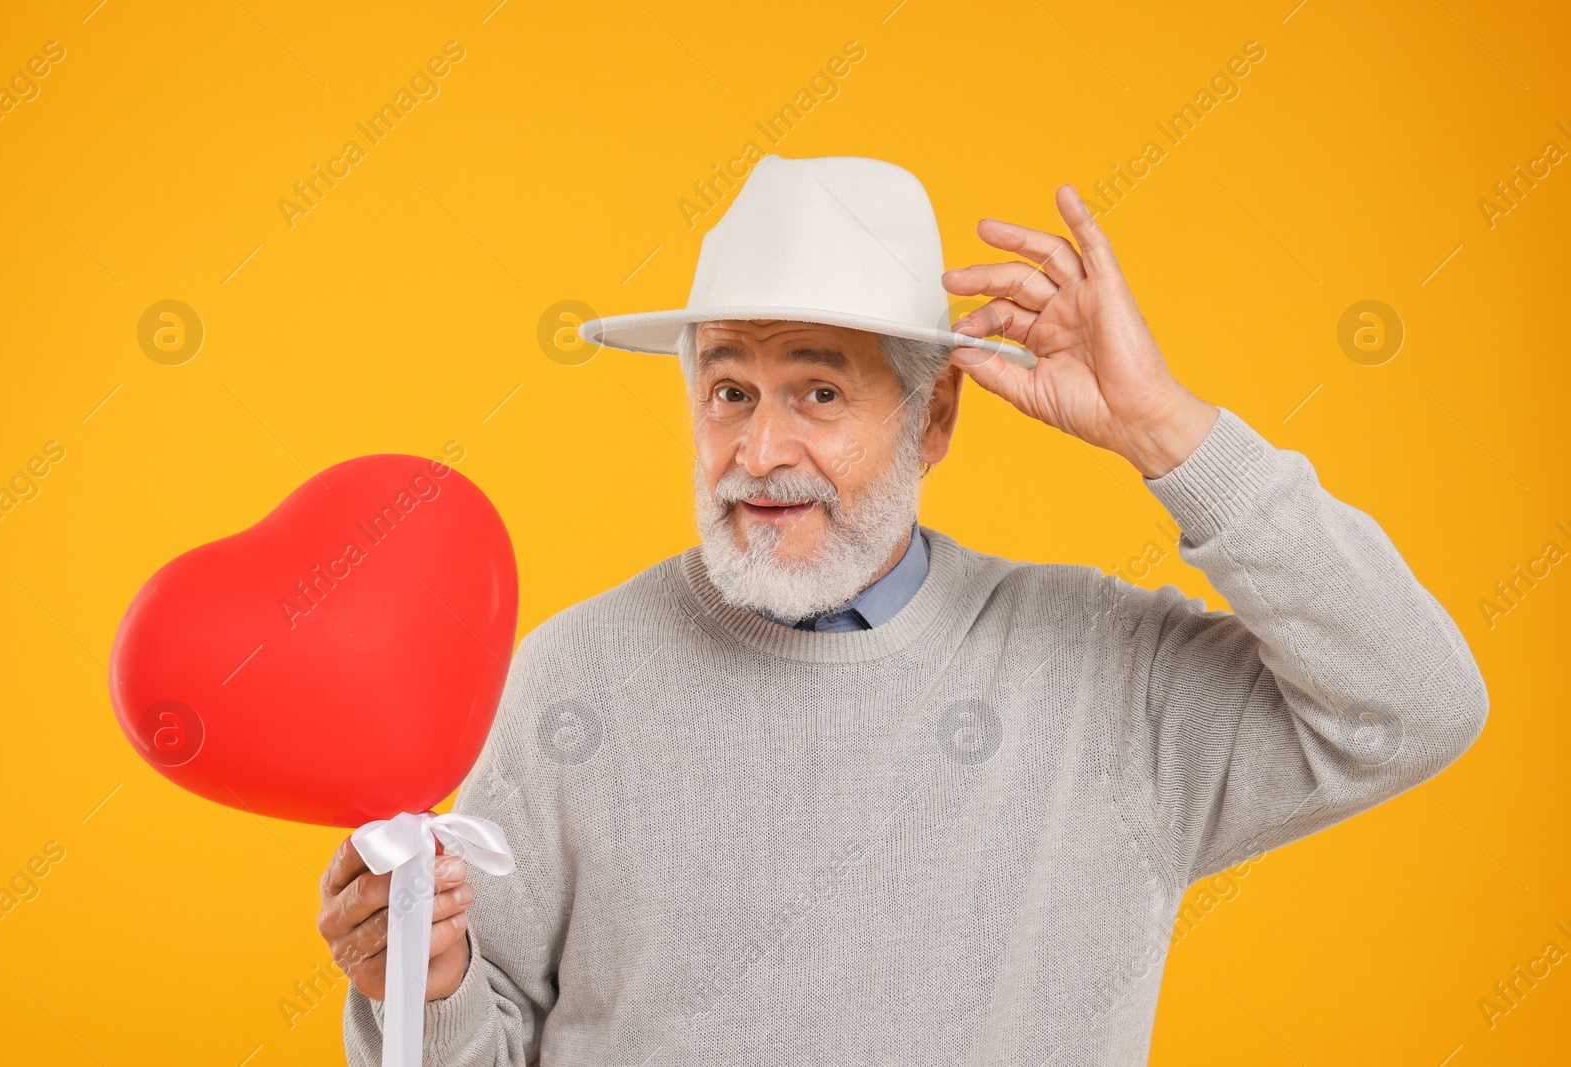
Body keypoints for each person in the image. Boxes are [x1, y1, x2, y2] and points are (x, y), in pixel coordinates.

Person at [316, 155, 1486, 1066]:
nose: (758, 451)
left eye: (818, 390)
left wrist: (1166, 429)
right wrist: (425, 978)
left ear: (934, 424)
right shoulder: (576, 670)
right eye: (729, 389)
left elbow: (1414, 702)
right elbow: (479, 1042)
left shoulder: (1103, 676)